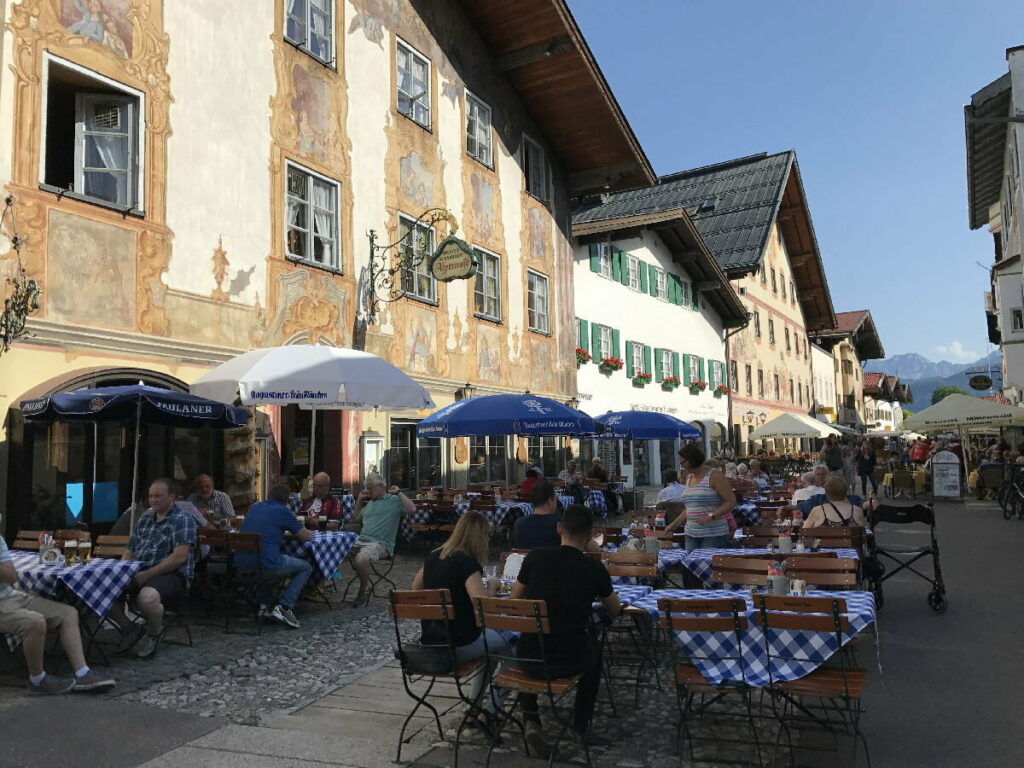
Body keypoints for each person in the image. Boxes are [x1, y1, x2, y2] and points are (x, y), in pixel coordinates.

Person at [510, 504, 621, 756]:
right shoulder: (593, 569)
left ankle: (531, 719)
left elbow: (515, 600)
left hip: (529, 658)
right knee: (595, 657)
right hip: (569, 659)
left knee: (530, 642)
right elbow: (613, 609)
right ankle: (579, 726)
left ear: (559, 528)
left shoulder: (534, 558)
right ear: (590, 534)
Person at [411, 511, 511, 733]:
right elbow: (482, 604)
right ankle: (490, 711)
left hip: (431, 640)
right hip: (457, 643)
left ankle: (474, 709)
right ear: (479, 537)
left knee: (492, 651)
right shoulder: (467, 562)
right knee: (511, 645)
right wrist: (493, 586)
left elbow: (416, 590)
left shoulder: (434, 556)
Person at [0, 535, 115, 693]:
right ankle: (38, 679)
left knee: (68, 613)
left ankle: (83, 673)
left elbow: (12, 577)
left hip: (10, 595)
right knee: (35, 622)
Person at [110, 479, 197, 659]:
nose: (153, 500)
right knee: (100, 590)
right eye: (151, 496)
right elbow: (130, 549)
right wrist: (123, 569)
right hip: (138, 570)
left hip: (170, 574)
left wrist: (146, 575)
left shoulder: (183, 520)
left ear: (172, 497)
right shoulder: (145, 519)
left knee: (147, 598)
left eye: (158, 496)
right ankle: (131, 630)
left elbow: (179, 557)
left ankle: (154, 633)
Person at [237, 483, 315, 629]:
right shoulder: (282, 511)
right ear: (287, 501)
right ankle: (284, 607)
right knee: (305, 567)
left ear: (269, 496)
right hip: (265, 566)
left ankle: (265, 605)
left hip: (242, 566)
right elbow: (306, 537)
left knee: (273, 559)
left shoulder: (254, 507)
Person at [349, 474, 416, 605]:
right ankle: (320, 586)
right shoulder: (369, 504)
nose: (367, 491)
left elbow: (412, 509)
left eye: (369, 488)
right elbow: (354, 519)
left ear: (380, 487)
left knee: (360, 559)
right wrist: (359, 500)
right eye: (366, 488)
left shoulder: (393, 500)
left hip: (381, 544)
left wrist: (399, 493)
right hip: (361, 540)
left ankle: (365, 587)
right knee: (335, 552)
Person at [665, 444, 736, 550]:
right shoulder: (689, 478)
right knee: (691, 564)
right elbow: (690, 508)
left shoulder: (715, 476)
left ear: (693, 459)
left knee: (707, 565)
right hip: (691, 533)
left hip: (713, 534)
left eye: (683, 462)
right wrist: (674, 524)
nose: (681, 466)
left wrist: (711, 515)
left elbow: (730, 502)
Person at [514, 481, 561, 549]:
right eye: (555, 499)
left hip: (527, 559)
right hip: (552, 559)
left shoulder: (519, 524)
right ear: (550, 500)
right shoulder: (559, 524)